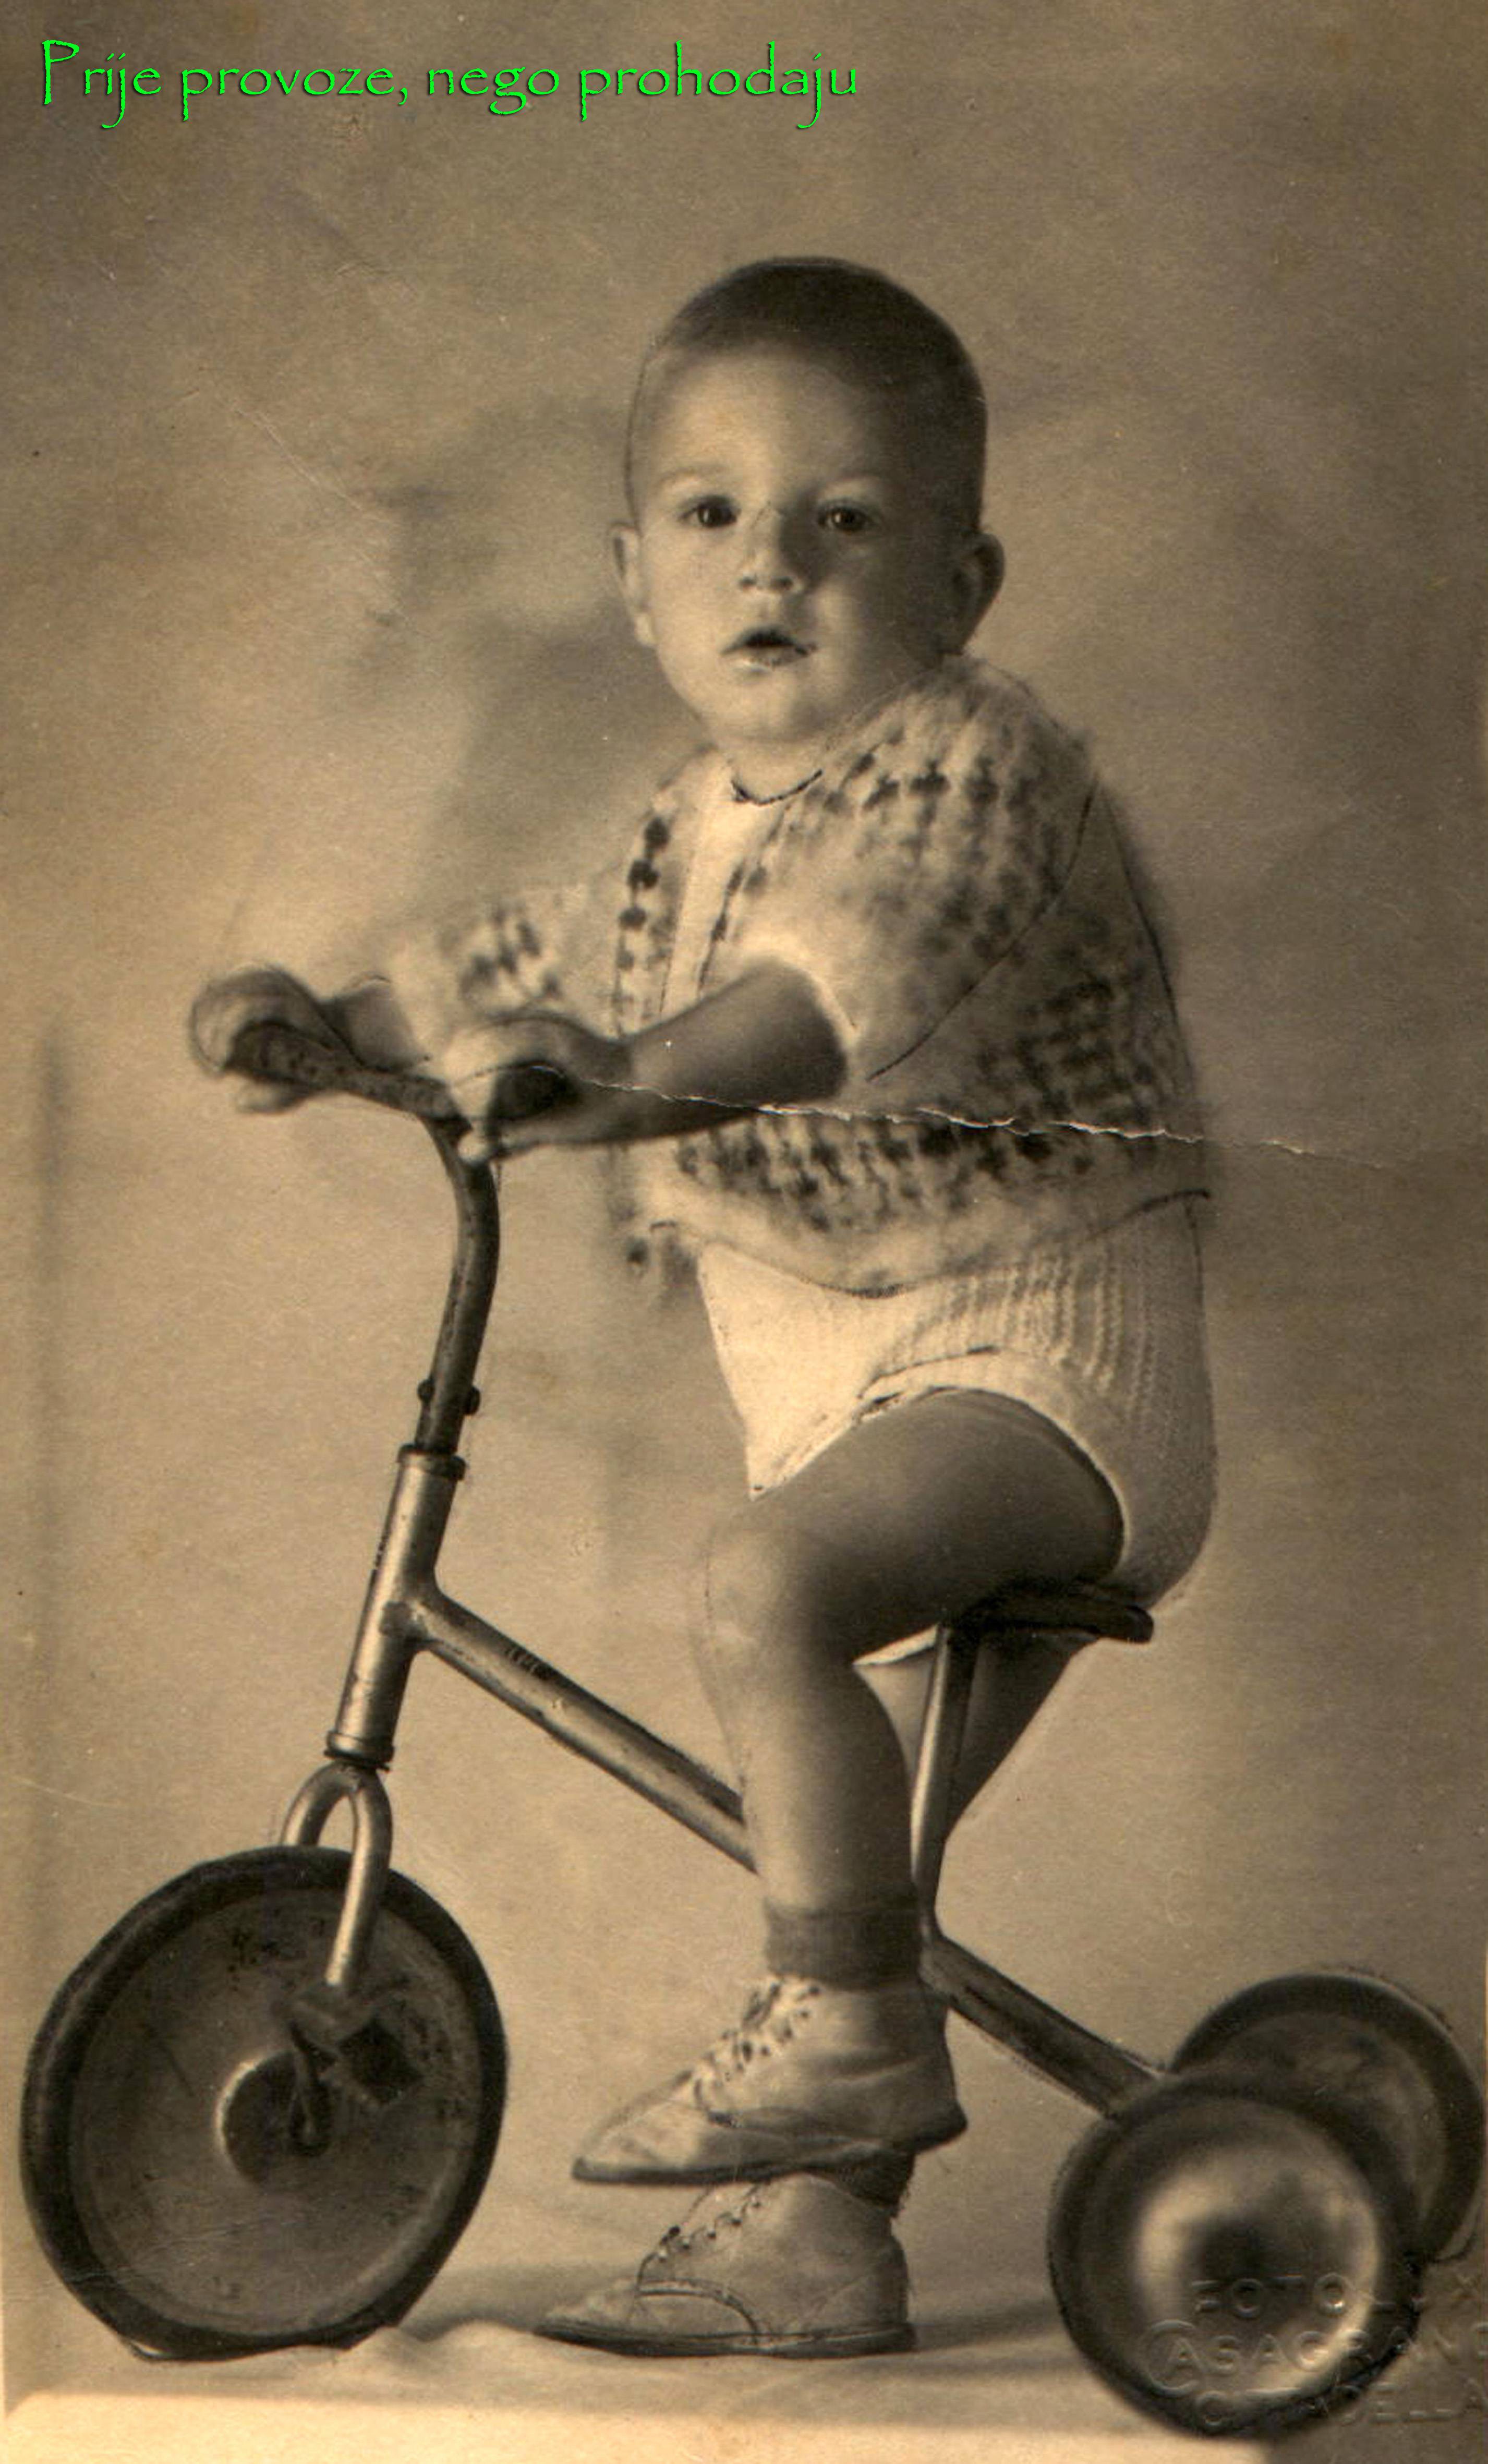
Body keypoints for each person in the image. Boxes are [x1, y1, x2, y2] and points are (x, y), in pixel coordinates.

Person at [192, 258, 1214, 2359]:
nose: (774, 564)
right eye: (713, 513)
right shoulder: (687, 826)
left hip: (1037, 1369)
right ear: (633, 574)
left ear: (964, 580)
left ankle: (849, 2036)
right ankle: (822, 2232)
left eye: (845, 519)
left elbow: (830, 991)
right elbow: (526, 957)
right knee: (854, 1838)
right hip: (848, 1385)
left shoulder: (978, 773)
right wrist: (335, 1023)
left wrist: (639, 1077)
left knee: (763, 1599)